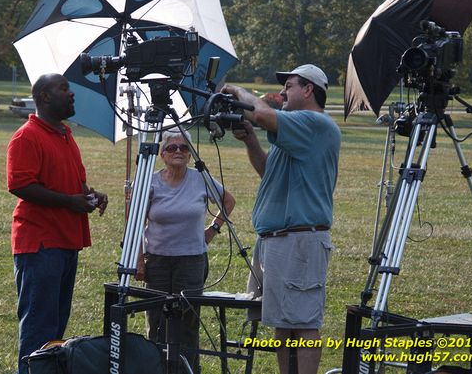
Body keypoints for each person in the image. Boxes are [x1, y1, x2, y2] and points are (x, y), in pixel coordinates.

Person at [221, 64, 340, 374]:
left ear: (308, 89)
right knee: (282, 323)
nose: (283, 92)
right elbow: (268, 172)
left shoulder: (314, 123)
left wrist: (237, 91)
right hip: (278, 241)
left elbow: (260, 114)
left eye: (289, 86)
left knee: (303, 323)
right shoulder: (293, 133)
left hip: (298, 240)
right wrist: (250, 141)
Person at [6, 73, 108, 374]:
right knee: (40, 328)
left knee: (55, 330)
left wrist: (89, 196)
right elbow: (20, 185)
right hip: (40, 245)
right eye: (65, 88)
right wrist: (69, 201)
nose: (72, 94)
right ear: (45, 97)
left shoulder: (65, 135)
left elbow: (69, 182)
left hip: (65, 242)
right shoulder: (27, 136)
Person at [135, 128, 235, 373]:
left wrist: (212, 230)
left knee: (188, 321)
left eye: (183, 148)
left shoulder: (200, 178)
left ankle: (188, 369)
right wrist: (139, 259)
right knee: (157, 320)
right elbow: (134, 222)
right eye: (172, 148)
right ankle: (156, 368)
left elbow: (228, 201)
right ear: (162, 154)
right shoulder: (151, 181)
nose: (178, 151)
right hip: (157, 261)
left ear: (190, 154)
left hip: (191, 261)